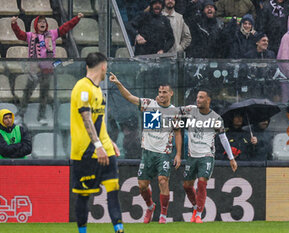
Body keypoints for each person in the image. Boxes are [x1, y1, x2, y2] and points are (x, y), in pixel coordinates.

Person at [109, 75, 182, 224]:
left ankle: (163, 215)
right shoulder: (149, 104)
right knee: (142, 185)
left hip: (164, 153)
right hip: (148, 152)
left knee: (163, 181)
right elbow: (129, 97)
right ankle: (150, 207)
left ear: (171, 94)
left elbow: (178, 132)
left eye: (165, 92)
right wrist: (118, 83)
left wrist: (179, 154)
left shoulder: (174, 112)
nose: (161, 95)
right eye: (160, 92)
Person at [70, 53, 124, 233]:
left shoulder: (99, 90)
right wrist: (98, 146)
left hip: (104, 148)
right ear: (103, 66)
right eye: (106, 66)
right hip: (85, 152)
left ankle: (119, 229)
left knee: (113, 189)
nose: (106, 70)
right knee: (84, 196)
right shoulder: (82, 88)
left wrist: (109, 141)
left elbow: (97, 122)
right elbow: (86, 118)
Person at [11, 13, 84, 125]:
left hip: (47, 71)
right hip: (34, 70)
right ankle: (20, 115)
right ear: (36, 24)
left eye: (44, 22)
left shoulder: (52, 34)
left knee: (44, 94)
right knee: (27, 93)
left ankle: (41, 116)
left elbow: (66, 27)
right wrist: (14, 24)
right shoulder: (31, 36)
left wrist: (77, 19)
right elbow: (20, 35)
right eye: (40, 22)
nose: (42, 23)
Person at [181, 89, 238, 223]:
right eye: (197, 97)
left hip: (206, 155)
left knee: (202, 183)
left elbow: (223, 138)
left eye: (201, 97)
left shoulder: (216, 118)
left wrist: (231, 158)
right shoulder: (190, 110)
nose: (198, 100)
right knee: (187, 186)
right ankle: (196, 207)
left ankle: (199, 215)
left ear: (208, 100)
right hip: (192, 155)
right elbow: (176, 111)